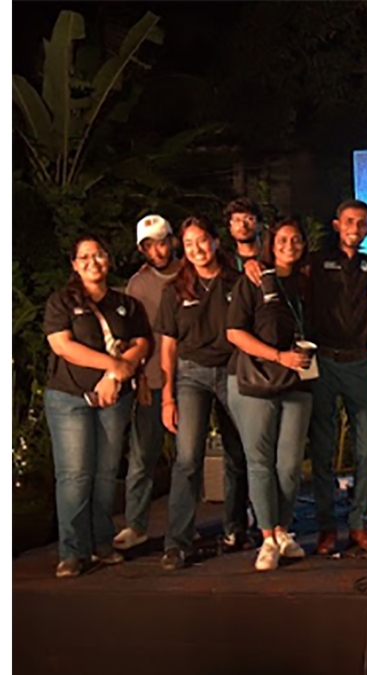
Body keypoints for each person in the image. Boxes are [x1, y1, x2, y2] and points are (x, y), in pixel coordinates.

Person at [43, 234, 150, 577]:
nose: (93, 262)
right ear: (75, 265)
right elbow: (62, 345)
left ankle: (102, 542)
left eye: (99, 255)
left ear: (108, 259)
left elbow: (142, 342)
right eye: (85, 257)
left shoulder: (126, 303)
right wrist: (113, 365)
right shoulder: (62, 302)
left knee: (105, 473)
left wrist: (115, 376)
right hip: (69, 398)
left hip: (114, 398)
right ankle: (73, 551)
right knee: (75, 475)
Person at [156, 217, 249, 570]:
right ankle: (177, 543)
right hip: (191, 375)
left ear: (215, 241)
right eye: (189, 243)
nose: (197, 249)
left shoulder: (236, 282)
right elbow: (167, 347)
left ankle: (235, 529)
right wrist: (168, 396)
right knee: (187, 458)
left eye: (202, 240)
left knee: (237, 454)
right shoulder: (176, 290)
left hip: (232, 370)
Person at [226, 218, 314, 571]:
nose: (289, 245)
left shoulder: (308, 282)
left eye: (296, 239)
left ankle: (281, 530)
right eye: (282, 239)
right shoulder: (254, 278)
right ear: (271, 243)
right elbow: (234, 332)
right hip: (257, 380)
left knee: (289, 465)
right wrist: (278, 356)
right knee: (260, 462)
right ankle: (266, 537)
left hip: (299, 378)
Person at [304, 200, 367, 554]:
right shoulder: (316, 262)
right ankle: (326, 527)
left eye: (362, 223)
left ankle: (358, 524)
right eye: (349, 221)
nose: (355, 227)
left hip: (359, 362)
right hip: (324, 360)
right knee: (323, 448)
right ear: (337, 224)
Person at [114, 215, 182, 552]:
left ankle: (184, 528)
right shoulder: (138, 284)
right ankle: (136, 524)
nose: (157, 250)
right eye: (149, 245)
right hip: (153, 379)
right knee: (143, 455)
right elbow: (133, 334)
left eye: (162, 242)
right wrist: (139, 376)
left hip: (192, 379)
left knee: (190, 458)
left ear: (172, 241)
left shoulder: (191, 273)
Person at [225, 197, 264, 272]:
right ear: (230, 228)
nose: (243, 225)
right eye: (237, 220)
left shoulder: (273, 258)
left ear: (260, 225)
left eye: (249, 219)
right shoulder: (227, 264)